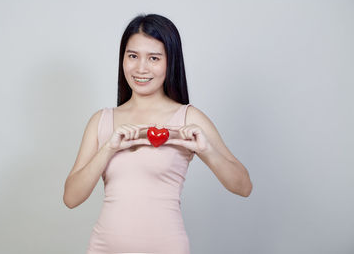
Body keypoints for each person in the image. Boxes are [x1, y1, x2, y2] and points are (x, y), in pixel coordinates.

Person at [63, 13, 252, 254]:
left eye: (153, 58)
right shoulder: (101, 120)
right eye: (133, 56)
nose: (141, 68)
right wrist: (109, 147)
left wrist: (207, 150)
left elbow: (244, 187)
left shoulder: (187, 118)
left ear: (170, 62)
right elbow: (71, 198)